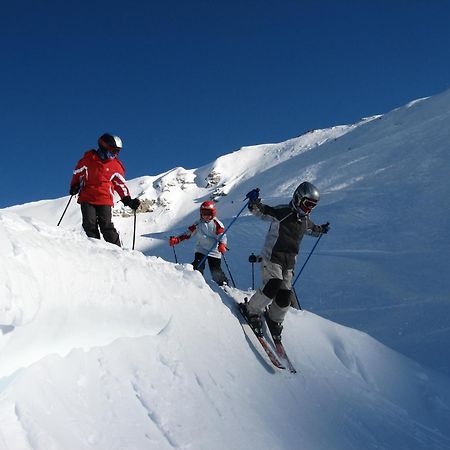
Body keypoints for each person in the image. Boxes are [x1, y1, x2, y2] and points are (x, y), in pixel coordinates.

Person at [241, 182, 330, 342]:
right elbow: (263, 212)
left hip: (289, 264)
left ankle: (274, 320)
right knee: (273, 284)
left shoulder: (305, 221)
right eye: (307, 204)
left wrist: (321, 229)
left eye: (312, 206)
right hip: (272, 257)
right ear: (298, 198)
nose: (308, 209)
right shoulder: (283, 212)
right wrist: (254, 203)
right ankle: (251, 310)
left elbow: (312, 229)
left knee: (285, 296)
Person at [69, 133, 141, 247]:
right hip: (87, 197)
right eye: (113, 150)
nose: (115, 154)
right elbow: (77, 173)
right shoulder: (88, 160)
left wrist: (127, 199)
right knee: (89, 224)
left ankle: (118, 251)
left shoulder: (116, 165)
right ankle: (95, 248)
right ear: (103, 146)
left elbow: (120, 184)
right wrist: (74, 186)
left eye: (117, 151)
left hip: (104, 199)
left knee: (106, 226)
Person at [169, 200, 229, 286]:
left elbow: (222, 236)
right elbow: (188, 233)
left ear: (213, 213)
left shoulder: (217, 224)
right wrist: (177, 239)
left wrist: (222, 244)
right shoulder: (198, 224)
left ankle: (223, 285)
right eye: (204, 213)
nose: (206, 216)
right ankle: (194, 282)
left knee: (215, 270)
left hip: (214, 250)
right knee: (197, 265)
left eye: (209, 213)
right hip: (201, 249)